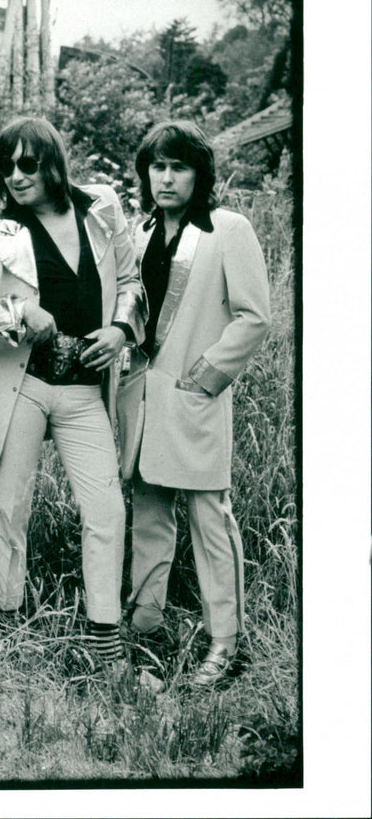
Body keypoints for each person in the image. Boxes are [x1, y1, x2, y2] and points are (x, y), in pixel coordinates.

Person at [0, 117, 144, 667]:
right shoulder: (3, 232)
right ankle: (2, 627)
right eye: (5, 166)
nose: (14, 176)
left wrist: (121, 330)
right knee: (10, 511)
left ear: (54, 162)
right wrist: (17, 311)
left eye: (28, 164)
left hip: (85, 392)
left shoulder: (101, 209)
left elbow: (131, 283)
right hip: (25, 385)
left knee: (105, 509)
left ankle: (105, 635)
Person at [117, 120, 271, 687]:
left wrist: (206, 376)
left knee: (212, 521)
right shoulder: (137, 232)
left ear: (198, 174)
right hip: (143, 403)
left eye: (178, 166)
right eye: (157, 166)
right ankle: (146, 632)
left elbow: (255, 316)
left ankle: (226, 645)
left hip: (197, 400)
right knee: (149, 519)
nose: (166, 177)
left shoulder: (229, 229)